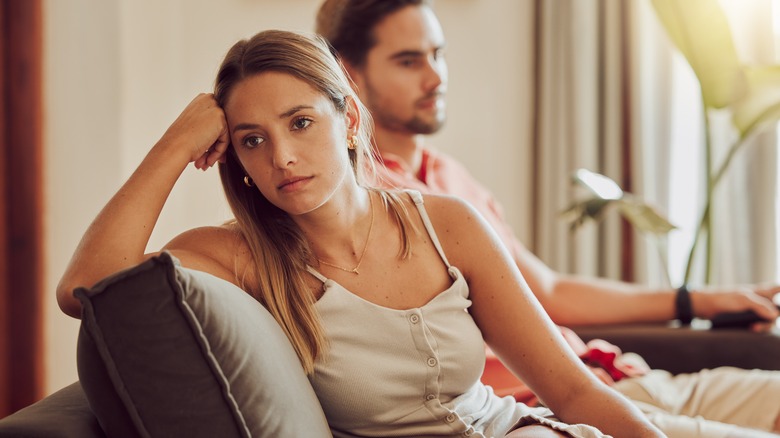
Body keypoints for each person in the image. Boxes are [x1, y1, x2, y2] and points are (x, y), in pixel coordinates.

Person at [56, 29, 664, 438]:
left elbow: (575, 392)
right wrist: (173, 144)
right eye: (252, 139)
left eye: (300, 123)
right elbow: (85, 288)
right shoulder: (236, 257)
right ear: (233, 156)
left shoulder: (445, 222)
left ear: (347, 120)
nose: (282, 157)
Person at [315, 0, 780, 437]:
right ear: (346, 73)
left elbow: (547, 289)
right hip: (549, 406)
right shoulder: (365, 207)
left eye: (438, 55)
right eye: (409, 61)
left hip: (615, 377)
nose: (436, 77)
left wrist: (694, 301)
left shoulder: (447, 175)